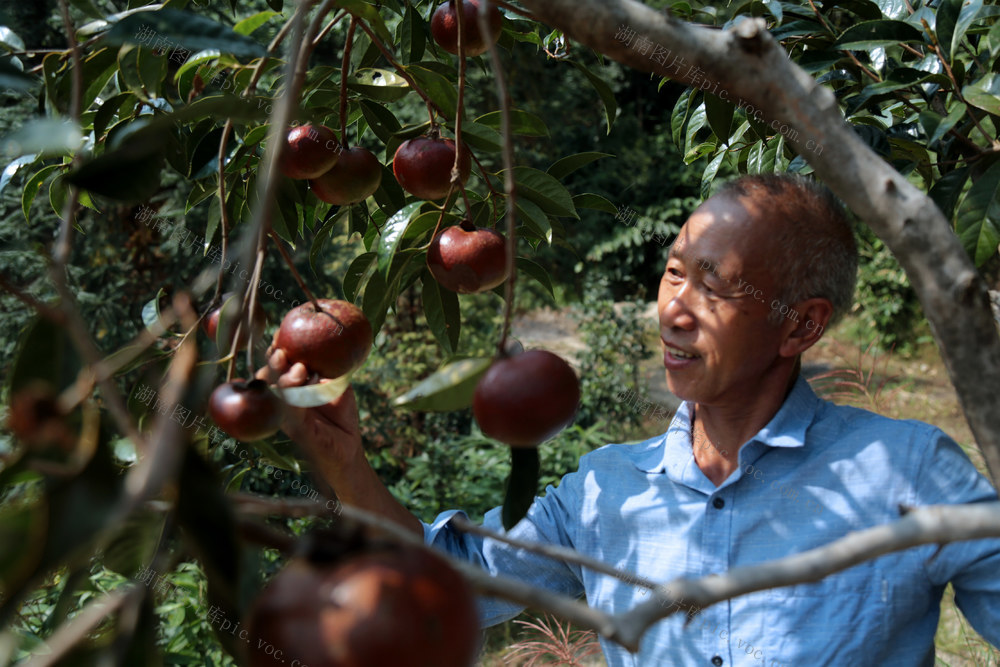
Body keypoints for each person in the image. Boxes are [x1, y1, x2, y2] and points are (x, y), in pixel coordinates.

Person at [261, 173, 1000, 666]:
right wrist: (343, 465)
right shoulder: (606, 489)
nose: (674, 307)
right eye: (675, 270)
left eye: (714, 284)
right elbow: (458, 585)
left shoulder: (908, 471)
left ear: (800, 326)